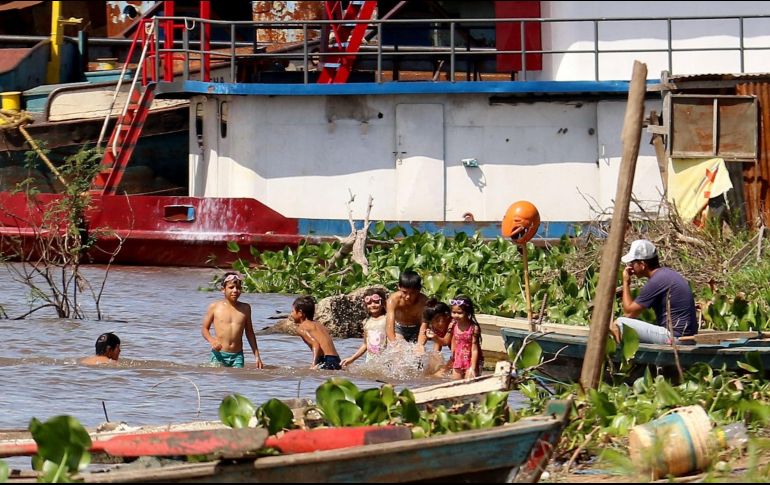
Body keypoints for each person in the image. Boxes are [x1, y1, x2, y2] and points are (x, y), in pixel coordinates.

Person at [609, 239, 698, 344]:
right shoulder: (666, 274)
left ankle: (618, 358)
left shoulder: (657, 280)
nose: (630, 266)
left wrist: (626, 282)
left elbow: (629, 313)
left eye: (633, 263)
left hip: (676, 339)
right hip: (688, 337)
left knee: (620, 323)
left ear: (642, 264)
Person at [201, 272, 264, 368]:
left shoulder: (245, 308)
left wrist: (257, 356)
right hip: (219, 354)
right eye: (231, 287)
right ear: (223, 289)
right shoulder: (214, 307)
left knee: (237, 381)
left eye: (238, 288)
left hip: (237, 356)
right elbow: (204, 329)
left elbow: (250, 333)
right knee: (217, 381)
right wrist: (212, 341)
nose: (235, 290)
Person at [290, 295, 342, 370]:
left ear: (300, 313)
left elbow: (315, 344)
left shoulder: (302, 327)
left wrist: (313, 364)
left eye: (292, 311)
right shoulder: (318, 324)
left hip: (326, 359)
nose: (291, 314)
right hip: (336, 359)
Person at [341, 288, 388, 368]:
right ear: (366, 306)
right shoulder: (366, 322)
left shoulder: (387, 319)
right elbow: (365, 345)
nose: (373, 305)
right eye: (369, 303)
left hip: (385, 361)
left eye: (376, 302)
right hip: (370, 361)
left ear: (383, 303)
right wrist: (352, 359)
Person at [385, 270, 428, 343]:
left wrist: (420, 345)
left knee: (418, 352)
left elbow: (424, 326)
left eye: (412, 293)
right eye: (404, 292)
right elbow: (389, 326)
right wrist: (394, 343)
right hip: (399, 328)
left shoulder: (424, 302)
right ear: (399, 287)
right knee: (398, 348)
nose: (408, 296)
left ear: (419, 290)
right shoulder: (393, 300)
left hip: (417, 329)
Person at [446, 295, 483, 380]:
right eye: (453, 312)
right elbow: (453, 342)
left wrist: (473, 368)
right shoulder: (453, 325)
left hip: (471, 360)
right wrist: (453, 358)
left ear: (467, 312)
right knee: (455, 383)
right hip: (458, 359)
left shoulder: (473, 328)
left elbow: (475, 349)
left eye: (459, 313)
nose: (456, 315)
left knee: (470, 383)